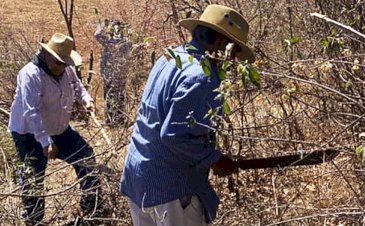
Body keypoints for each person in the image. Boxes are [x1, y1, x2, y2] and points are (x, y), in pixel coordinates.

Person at [119, 4, 255, 226]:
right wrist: (214, 159)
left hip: (139, 178)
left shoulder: (168, 58)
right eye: (235, 52)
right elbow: (175, 135)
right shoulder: (203, 76)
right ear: (222, 44)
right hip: (170, 188)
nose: (232, 61)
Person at [8, 33, 103, 225]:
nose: (62, 66)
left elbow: (77, 85)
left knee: (86, 157)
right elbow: (31, 111)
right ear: (46, 54)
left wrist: (86, 99)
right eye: (59, 62)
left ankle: (91, 209)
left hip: (60, 130)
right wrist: (45, 141)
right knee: (32, 179)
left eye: (65, 63)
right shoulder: (30, 75)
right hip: (29, 134)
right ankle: (33, 220)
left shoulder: (66, 70)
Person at [94, 19, 132, 126]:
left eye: (118, 27)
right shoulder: (111, 41)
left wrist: (104, 26)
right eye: (115, 27)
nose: (117, 29)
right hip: (111, 74)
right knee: (111, 96)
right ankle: (111, 120)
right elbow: (97, 35)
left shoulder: (123, 42)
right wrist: (104, 25)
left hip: (117, 74)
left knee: (118, 96)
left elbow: (97, 34)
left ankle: (118, 119)